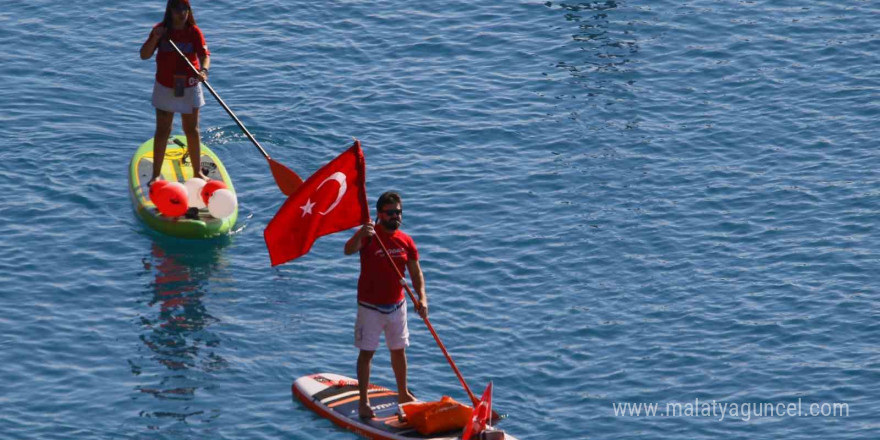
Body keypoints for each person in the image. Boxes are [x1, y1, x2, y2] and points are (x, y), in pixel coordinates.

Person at [344, 191, 428, 419]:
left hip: (397, 306)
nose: (396, 217)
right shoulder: (370, 237)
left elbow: (416, 272)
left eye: (399, 212)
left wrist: (422, 298)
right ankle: (363, 402)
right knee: (367, 353)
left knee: (399, 351)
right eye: (390, 213)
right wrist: (361, 232)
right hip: (370, 308)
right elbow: (348, 249)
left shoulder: (406, 241)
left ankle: (402, 395)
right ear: (380, 215)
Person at [140, 0, 211, 186]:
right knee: (163, 129)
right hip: (165, 86)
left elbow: (205, 56)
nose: (182, 13)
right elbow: (144, 54)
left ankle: (197, 173)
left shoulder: (194, 32)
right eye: (177, 8)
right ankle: (156, 175)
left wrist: (203, 71)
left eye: (185, 8)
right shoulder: (160, 30)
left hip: (189, 85)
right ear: (169, 10)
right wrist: (155, 38)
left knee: (192, 130)